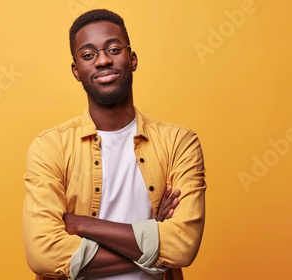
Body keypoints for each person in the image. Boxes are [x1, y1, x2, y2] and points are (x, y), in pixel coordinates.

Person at [23, 9, 206, 280]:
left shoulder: (179, 142)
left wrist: (84, 225)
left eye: (113, 49)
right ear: (77, 70)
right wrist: (155, 238)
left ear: (132, 59)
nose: (103, 60)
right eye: (88, 55)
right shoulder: (50, 147)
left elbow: (182, 245)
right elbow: (43, 254)